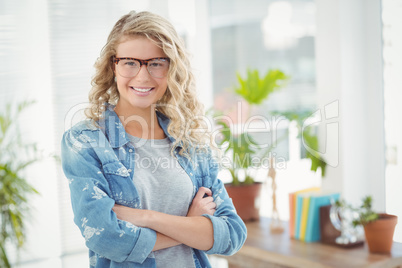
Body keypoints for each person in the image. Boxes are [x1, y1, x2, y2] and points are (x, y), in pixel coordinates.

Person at [61, 10, 247, 268]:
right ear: (113, 66)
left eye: (156, 63)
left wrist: (146, 217)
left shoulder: (190, 139)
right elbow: (105, 237)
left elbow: (232, 235)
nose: (143, 76)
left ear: (171, 68)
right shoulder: (86, 141)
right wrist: (191, 225)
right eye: (130, 62)